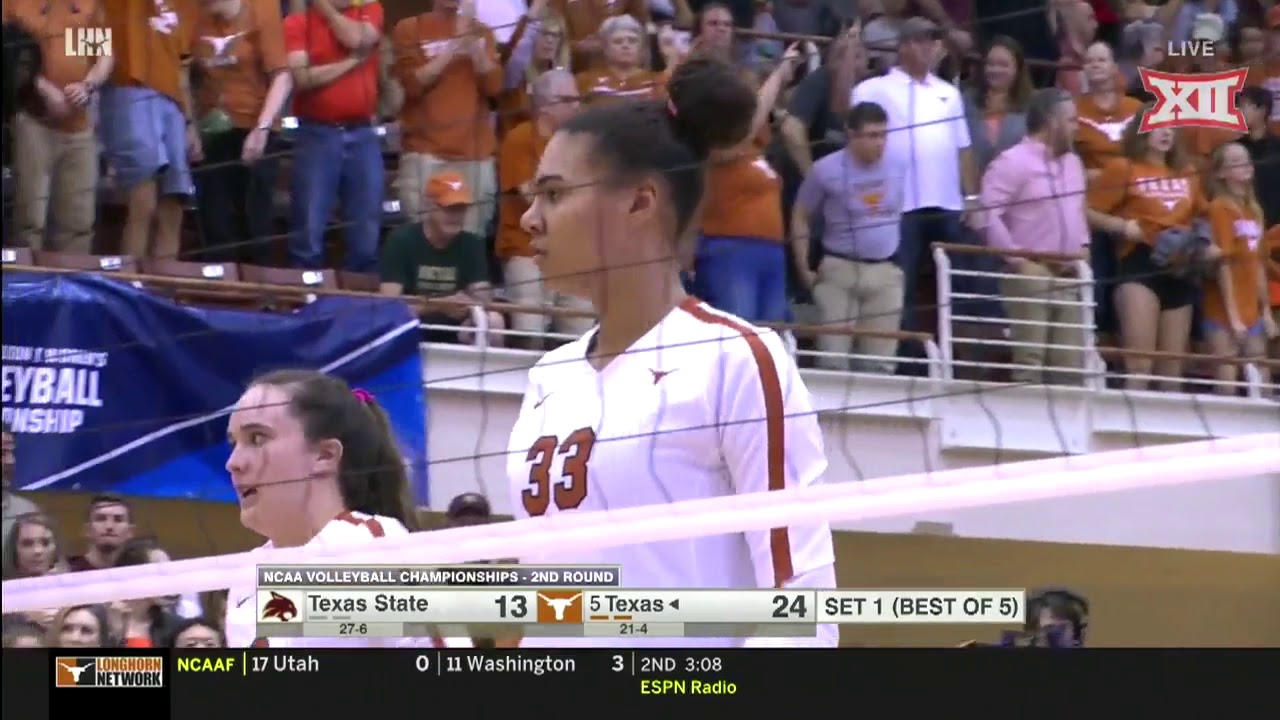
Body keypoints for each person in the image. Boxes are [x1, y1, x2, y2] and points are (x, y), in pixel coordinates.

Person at [510, 55, 838, 648]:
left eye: (554, 195)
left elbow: (803, 609)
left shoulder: (736, 359)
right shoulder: (547, 376)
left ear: (639, 203)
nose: (529, 217)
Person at [223, 369, 420, 647]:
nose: (233, 462)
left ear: (325, 455)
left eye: (257, 438)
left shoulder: (370, 545)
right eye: (234, 443)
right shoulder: (246, 578)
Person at [378, 171, 505, 346]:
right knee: (390, 320)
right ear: (429, 207)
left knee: (494, 320)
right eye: (448, 209)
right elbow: (388, 304)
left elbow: (483, 299)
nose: (455, 216)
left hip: (457, 325)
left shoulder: (472, 243)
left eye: (460, 210)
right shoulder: (401, 240)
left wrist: (470, 303)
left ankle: (486, 372)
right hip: (412, 323)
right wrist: (438, 305)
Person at [1203, 143, 1273, 391]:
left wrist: (1264, 311)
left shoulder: (1254, 211)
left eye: (1247, 160)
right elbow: (1224, 263)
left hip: (1251, 308)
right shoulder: (1219, 208)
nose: (1245, 164)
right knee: (1227, 383)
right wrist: (1233, 318)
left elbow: (1259, 264)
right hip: (1222, 312)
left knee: (1263, 382)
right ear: (1221, 173)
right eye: (1236, 161)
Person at [65, 494, 134, 572]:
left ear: (130, 531)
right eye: (101, 519)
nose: (109, 526)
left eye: (118, 520)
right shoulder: (66, 571)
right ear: (87, 529)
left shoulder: (140, 572)